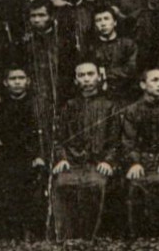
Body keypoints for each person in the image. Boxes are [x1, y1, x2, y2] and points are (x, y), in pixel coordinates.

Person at [0, 66, 49, 240]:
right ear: (5, 83)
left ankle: (30, 229)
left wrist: (39, 155)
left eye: (21, 78)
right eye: (13, 78)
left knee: (32, 179)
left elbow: (43, 135)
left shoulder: (37, 106)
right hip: (5, 155)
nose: (17, 82)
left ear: (28, 81)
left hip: (29, 156)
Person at [50, 61, 119, 240]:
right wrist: (62, 158)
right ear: (75, 80)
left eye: (90, 74)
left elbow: (116, 141)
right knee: (63, 183)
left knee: (96, 184)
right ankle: (68, 237)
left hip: (97, 163)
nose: (86, 79)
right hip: (73, 162)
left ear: (99, 77)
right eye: (82, 75)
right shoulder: (69, 107)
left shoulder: (110, 106)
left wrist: (108, 161)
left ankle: (92, 236)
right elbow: (59, 139)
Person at [121, 67, 159, 237]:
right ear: (142, 85)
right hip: (140, 160)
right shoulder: (131, 110)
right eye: (154, 80)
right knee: (136, 183)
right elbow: (128, 141)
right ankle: (136, 234)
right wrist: (134, 162)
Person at [85, 7, 139, 102]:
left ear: (115, 22)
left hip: (126, 93)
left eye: (106, 19)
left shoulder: (128, 44)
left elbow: (131, 69)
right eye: (98, 20)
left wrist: (106, 73)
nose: (103, 23)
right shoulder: (91, 49)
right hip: (102, 96)